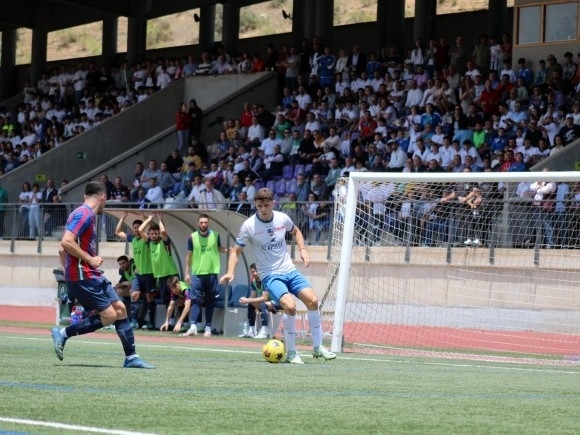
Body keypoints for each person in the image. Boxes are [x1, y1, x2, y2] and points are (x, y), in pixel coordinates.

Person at [220, 188, 336, 364]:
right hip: (270, 275)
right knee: (290, 306)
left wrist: (303, 251)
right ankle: (291, 353)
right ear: (255, 205)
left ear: (273, 203)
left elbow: (295, 231)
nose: (263, 209)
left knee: (312, 301)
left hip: (289, 270)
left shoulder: (282, 218)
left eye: (266, 205)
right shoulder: (249, 226)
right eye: (259, 206)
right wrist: (230, 271)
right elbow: (236, 251)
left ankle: (318, 347)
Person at [50, 181, 154, 369]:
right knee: (109, 316)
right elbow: (66, 242)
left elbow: (61, 251)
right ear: (103, 197)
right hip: (84, 275)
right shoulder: (84, 214)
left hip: (90, 274)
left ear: (85, 196)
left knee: (120, 309)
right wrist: (89, 260)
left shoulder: (83, 214)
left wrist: (70, 271)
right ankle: (63, 333)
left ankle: (131, 358)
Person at [182, 214, 229, 337]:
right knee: (195, 300)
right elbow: (189, 256)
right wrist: (187, 273)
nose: (203, 224)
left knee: (210, 301)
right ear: (198, 223)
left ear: (208, 223)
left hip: (212, 273)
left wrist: (228, 250)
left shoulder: (215, 235)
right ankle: (193, 327)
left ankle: (208, 327)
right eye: (201, 222)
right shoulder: (191, 237)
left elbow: (218, 248)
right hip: (197, 274)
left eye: (206, 222)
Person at [139, 212, 180, 327]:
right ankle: (171, 320)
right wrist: (149, 218)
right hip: (160, 275)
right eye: (152, 234)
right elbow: (141, 230)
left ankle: (185, 321)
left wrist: (160, 219)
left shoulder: (163, 241)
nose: (154, 235)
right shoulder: (149, 243)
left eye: (156, 233)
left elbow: (163, 232)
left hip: (171, 273)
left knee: (178, 297)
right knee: (165, 298)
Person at [115, 212, 156, 329]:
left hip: (149, 273)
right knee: (134, 294)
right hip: (138, 274)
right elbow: (117, 232)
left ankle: (151, 322)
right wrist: (122, 217)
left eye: (139, 227)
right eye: (135, 228)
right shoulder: (133, 239)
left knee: (149, 298)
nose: (137, 230)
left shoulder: (146, 238)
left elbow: (150, 229)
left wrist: (147, 219)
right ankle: (134, 321)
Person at [238, 263, 276, 339]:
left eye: (256, 271)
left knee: (263, 304)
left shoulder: (265, 280)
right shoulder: (254, 281)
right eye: (252, 271)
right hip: (268, 303)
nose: (254, 273)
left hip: (277, 302)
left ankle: (264, 331)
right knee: (251, 304)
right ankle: (251, 331)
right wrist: (246, 301)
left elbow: (265, 298)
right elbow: (253, 297)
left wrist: (247, 299)